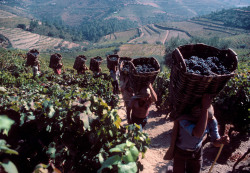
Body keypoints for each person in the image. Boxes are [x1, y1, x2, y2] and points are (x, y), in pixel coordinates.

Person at [164, 94, 230, 173]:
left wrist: (220, 141)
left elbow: (216, 142)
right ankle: (170, 170)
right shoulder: (183, 118)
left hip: (196, 152)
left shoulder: (212, 121)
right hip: (180, 152)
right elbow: (198, 133)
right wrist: (205, 107)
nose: (206, 122)